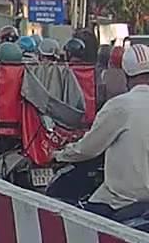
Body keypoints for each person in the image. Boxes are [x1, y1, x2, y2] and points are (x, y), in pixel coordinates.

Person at [52, 43, 149, 220]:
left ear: (125, 74)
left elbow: (88, 149)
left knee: (79, 221)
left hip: (122, 200)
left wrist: (59, 155)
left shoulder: (120, 106)